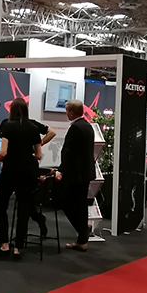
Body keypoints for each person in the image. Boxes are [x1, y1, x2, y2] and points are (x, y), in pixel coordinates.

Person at [0, 97, 42, 259]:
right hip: (27, 173)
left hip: (10, 172)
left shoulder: (8, 126)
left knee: (2, 207)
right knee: (24, 210)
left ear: (11, 110)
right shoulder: (33, 128)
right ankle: (18, 247)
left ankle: (4, 244)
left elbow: (3, 152)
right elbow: (39, 154)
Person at [0, 115, 57, 237]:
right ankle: (33, 226)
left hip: (22, 168)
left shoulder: (10, 123)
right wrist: (38, 145)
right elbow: (51, 132)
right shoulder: (30, 124)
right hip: (18, 167)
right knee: (25, 202)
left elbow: (52, 132)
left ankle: (31, 226)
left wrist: (39, 144)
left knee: (24, 202)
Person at [55, 100, 96, 252]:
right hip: (85, 173)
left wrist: (61, 170)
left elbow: (68, 153)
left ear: (71, 112)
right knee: (81, 205)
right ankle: (82, 237)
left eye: (66, 111)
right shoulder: (87, 126)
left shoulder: (76, 128)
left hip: (75, 174)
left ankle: (82, 231)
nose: (66, 113)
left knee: (65, 203)